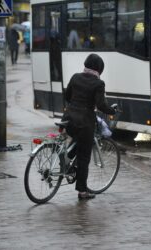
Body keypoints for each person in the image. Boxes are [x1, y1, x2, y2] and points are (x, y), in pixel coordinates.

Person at [64, 53, 116, 200]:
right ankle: (82, 191)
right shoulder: (98, 84)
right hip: (85, 123)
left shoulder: (75, 77)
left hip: (69, 120)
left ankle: (66, 163)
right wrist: (112, 110)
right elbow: (101, 105)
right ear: (99, 69)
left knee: (76, 140)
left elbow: (68, 96)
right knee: (84, 158)